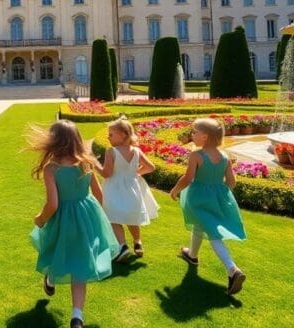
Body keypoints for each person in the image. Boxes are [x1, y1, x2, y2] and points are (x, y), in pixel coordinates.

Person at [28, 120, 119, 328]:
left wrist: (40, 219)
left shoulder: (52, 168)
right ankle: (77, 316)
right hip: (86, 215)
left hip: (63, 218)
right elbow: (98, 194)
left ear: (54, 141)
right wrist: (99, 217)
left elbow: (53, 204)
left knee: (53, 248)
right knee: (80, 264)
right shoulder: (86, 163)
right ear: (77, 140)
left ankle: (50, 277)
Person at [169, 118, 247, 296]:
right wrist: (219, 195)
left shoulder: (197, 155)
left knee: (213, 234)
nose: (192, 134)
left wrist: (174, 190)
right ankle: (192, 254)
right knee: (201, 224)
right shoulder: (225, 157)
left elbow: (188, 178)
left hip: (197, 198)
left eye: (194, 132)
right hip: (216, 198)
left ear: (204, 136)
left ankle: (232, 269)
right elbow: (231, 182)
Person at [96, 116, 158, 262]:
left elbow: (107, 173)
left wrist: (95, 164)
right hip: (132, 188)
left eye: (111, 134)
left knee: (113, 217)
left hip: (114, 188)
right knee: (132, 217)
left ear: (123, 134)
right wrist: (134, 173)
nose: (108, 136)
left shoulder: (111, 151)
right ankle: (138, 242)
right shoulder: (136, 150)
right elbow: (151, 167)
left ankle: (122, 245)